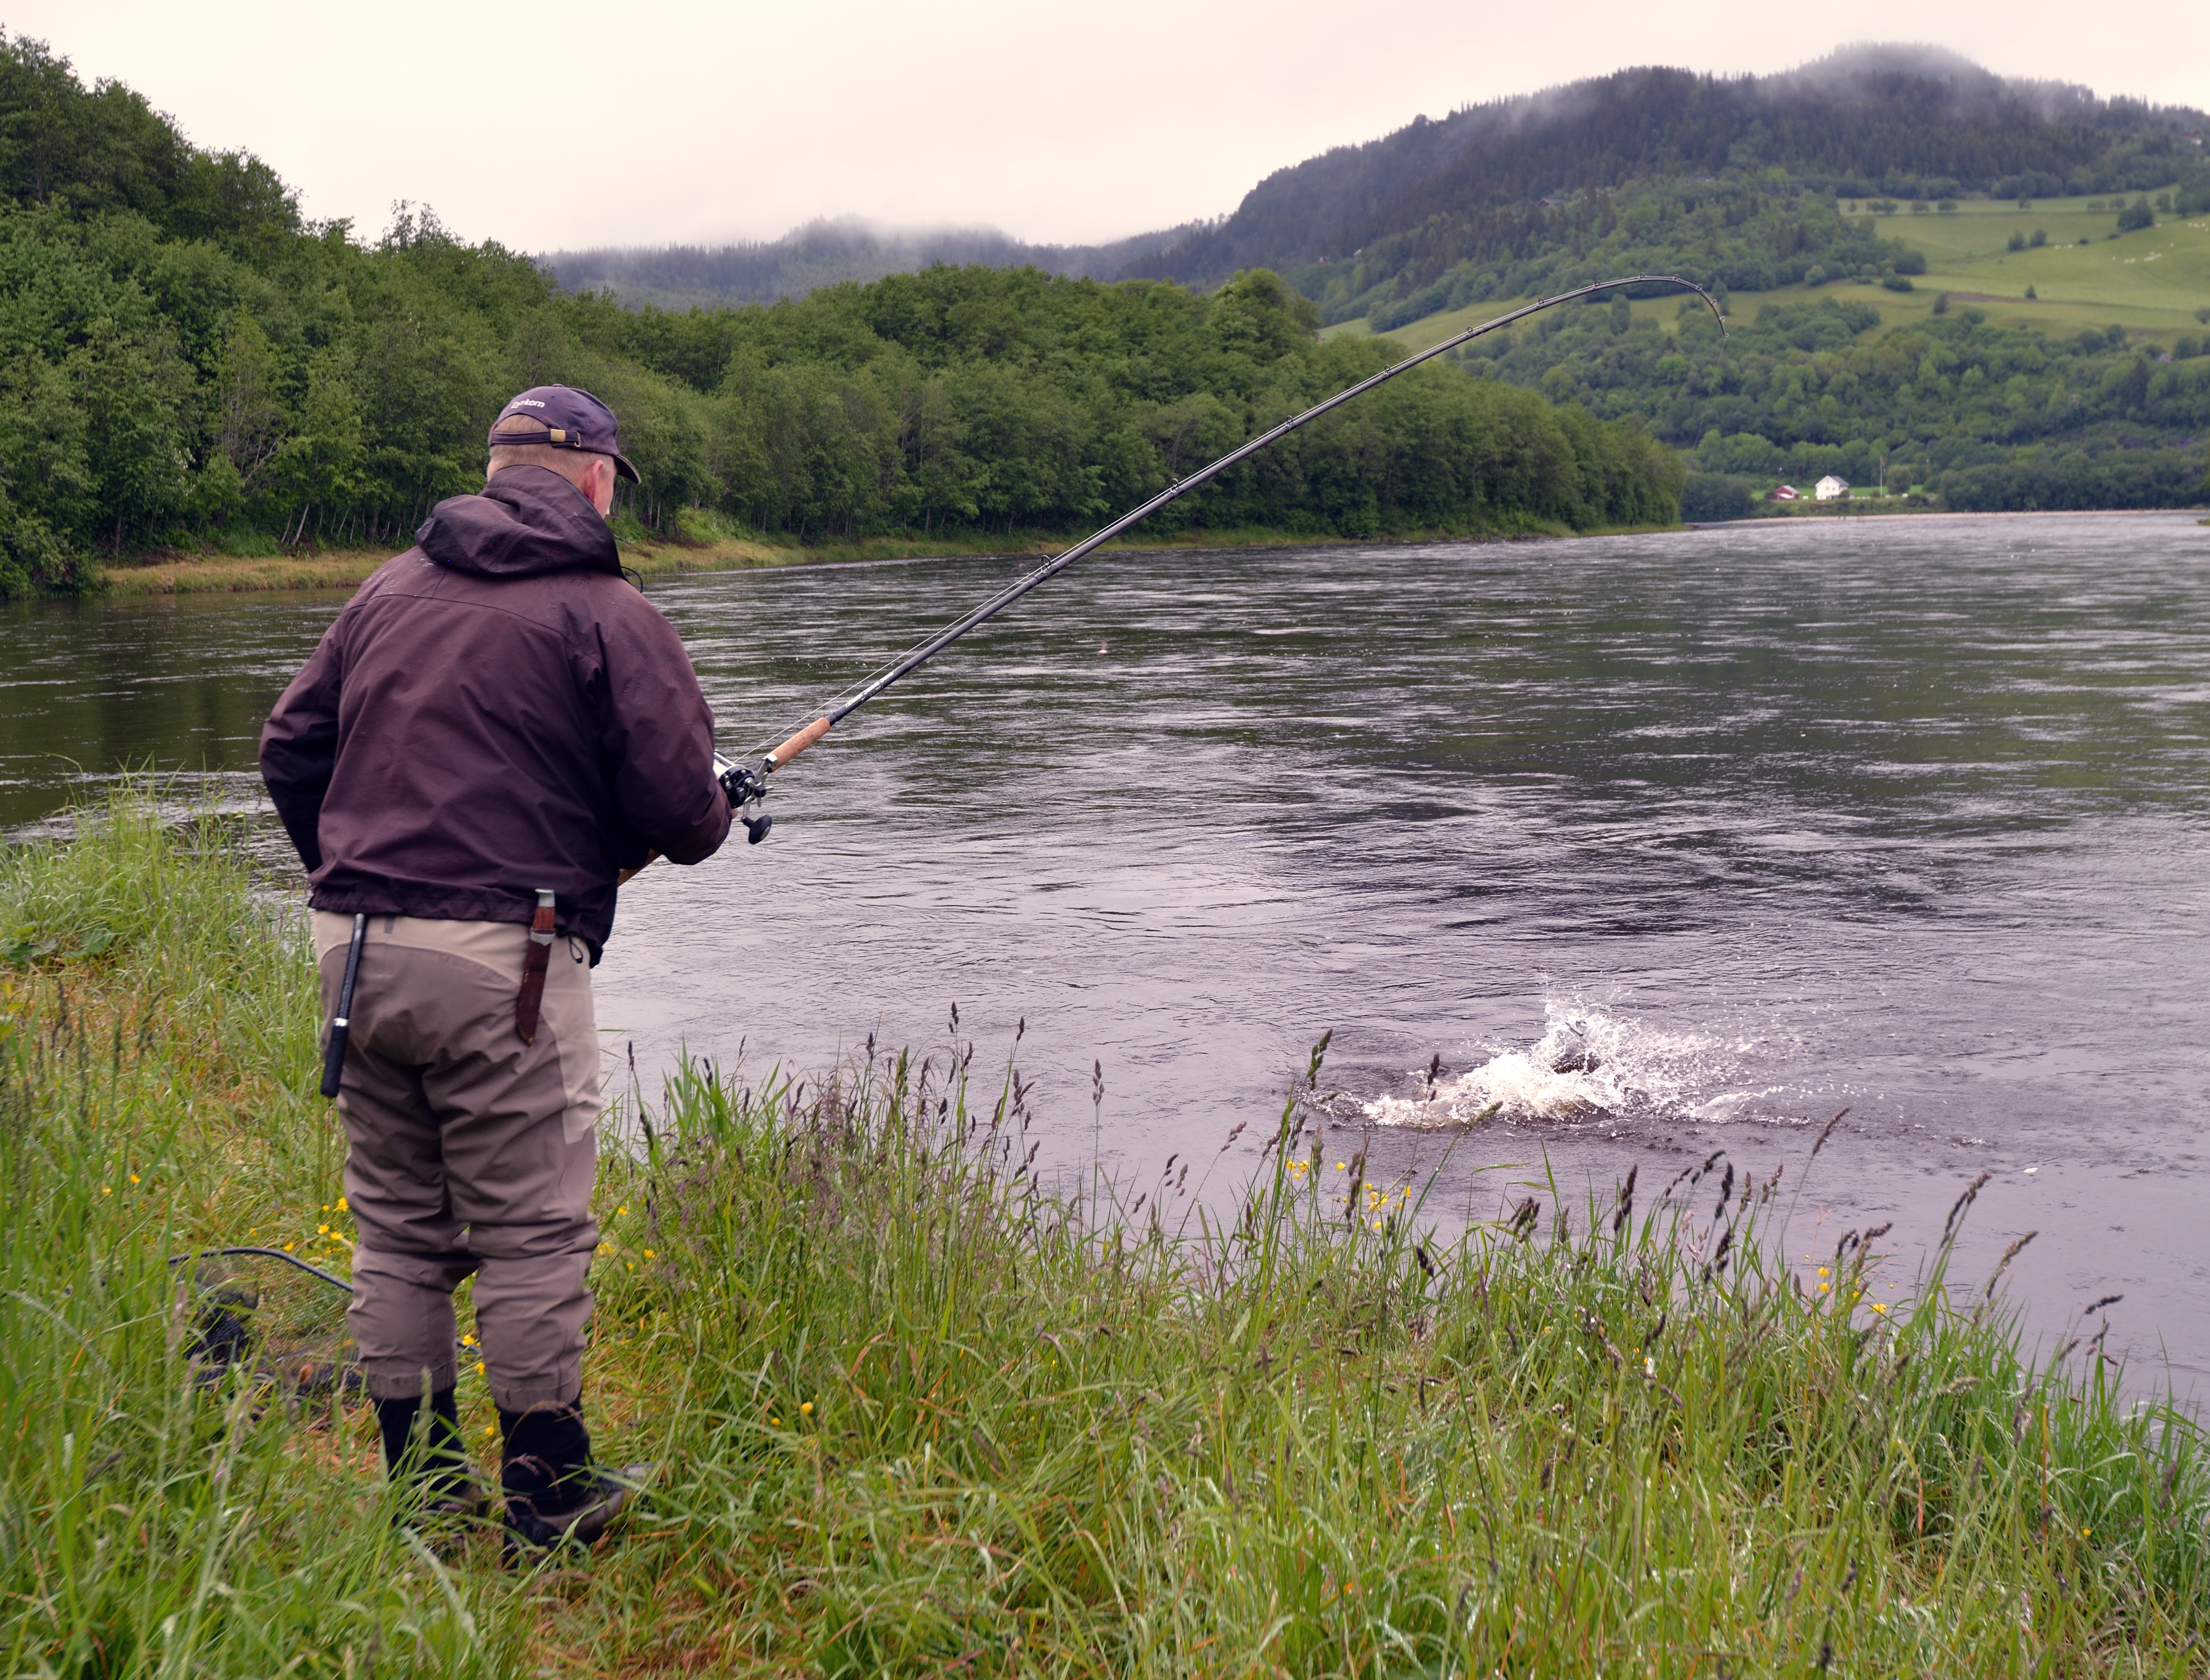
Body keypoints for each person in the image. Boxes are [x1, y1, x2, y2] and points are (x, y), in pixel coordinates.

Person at [259, 386, 732, 1551]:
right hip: (504, 961)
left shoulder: (386, 590)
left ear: (491, 470)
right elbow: (683, 811)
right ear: (598, 478)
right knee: (529, 1231)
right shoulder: (606, 609)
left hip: (353, 948)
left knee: (400, 1228)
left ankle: (424, 1495)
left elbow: (289, 747)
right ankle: (548, 1500)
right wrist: (724, 804)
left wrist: (353, 870)